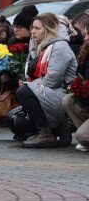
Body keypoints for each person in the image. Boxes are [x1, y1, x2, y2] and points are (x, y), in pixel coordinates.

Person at [16, 13, 77, 148]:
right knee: (17, 123)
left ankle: (46, 134)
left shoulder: (60, 47)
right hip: (51, 92)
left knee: (23, 92)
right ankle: (60, 129)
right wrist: (28, 83)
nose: (33, 31)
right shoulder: (43, 46)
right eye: (32, 28)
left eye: (37, 28)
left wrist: (29, 85)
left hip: (64, 94)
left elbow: (52, 80)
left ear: (49, 29)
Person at [63, 27, 89, 151]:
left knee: (81, 136)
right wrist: (78, 86)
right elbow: (79, 76)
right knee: (68, 99)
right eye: (86, 34)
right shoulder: (85, 52)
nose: (86, 38)